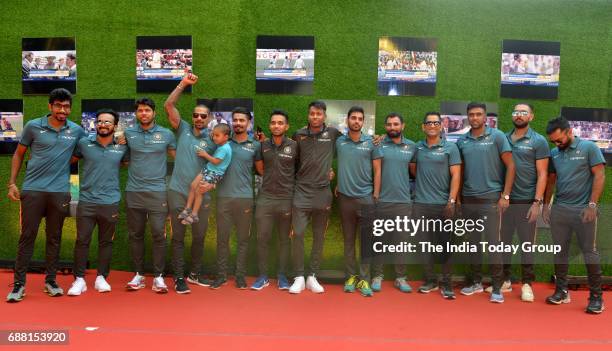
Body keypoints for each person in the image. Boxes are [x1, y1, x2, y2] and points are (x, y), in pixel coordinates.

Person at [6, 88, 86, 303]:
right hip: (33, 191)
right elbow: (18, 154)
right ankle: (19, 285)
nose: (63, 110)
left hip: (60, 192)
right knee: (27, 236)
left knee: (54, 237)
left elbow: (88, 148)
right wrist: (12, 183)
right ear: (50, 106)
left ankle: (50, 281)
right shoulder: (33, 126)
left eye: (67, 106)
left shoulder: (77, 131)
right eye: (58, 105)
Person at [543, 116, 606, 314]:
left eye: (559, 139)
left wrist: (592, 205)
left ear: (569, 132)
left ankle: (596, 298)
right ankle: (562, 291)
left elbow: (600, 175)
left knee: (590, 253)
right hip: (560, 210)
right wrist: (546, 205)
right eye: (553, 141)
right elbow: (551, 181)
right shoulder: (555, 153)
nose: (556, 144)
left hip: (584, 212)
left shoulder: (589, 148)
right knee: (560, 252)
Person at [456, 102, 515, 304]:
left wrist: (505, 196)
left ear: (486, 117)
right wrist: (458, 198)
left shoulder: (497, 137)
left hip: (491, 198)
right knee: (473, 244)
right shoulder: (462, 140)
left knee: (493, 244)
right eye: (471, 114)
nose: (474, 118)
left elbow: (511, 165)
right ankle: (476, 282)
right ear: (467, 117)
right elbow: (460, 171)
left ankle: (497, 287)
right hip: (468, 199)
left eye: (478, 114)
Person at [164, 71, 217, 293]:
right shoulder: (183, 128)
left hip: (200, 196)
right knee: (178, 237)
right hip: (177, 192)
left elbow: (221, 166)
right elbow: (168, 105)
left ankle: (194, 274)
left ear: (210, 119)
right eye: (196, 115)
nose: (198, 119)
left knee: (199, 237)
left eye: (203, 116)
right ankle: (178, 278)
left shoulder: (215, 140)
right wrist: (183, 84)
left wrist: (212, 184)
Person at [66, 109, 128, 296]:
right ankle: (79, 280)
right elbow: (69, 160)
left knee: (105, 242)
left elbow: (128, 163)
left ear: (115, 126)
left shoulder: (123, 146)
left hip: (110, 201)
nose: (103, 124)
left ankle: (101, 278)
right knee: (82, 240)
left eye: (108, 122)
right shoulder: (84, 143)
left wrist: (125, 140)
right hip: (87, 200)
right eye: (100, 121)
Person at [493, 103, 549, 302]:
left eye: (523, 112)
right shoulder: (503, 138)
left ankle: (527, 284)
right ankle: (505, 279)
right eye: (516, 112)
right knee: (504, 242)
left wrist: (537, 202)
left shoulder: (539, 141)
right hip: (505, 201)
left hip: (527, 201)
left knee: (526, 244)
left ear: (531, 116)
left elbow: (543, 173)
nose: (519, 115)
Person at [124, 98, 176, 294]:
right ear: (136, 114)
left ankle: (158, 277)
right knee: (135, 234)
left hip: (158, 192)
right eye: (140, 111)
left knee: (157, 234)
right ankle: (138, 275)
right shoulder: (128, 134)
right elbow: (124, 158)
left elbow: (178, 160)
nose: (143, 113)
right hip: (134, 191)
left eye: (147, 110)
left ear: (154, 113)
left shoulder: (166, 134)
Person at [289, 101, 341, 294]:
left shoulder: (334, 134)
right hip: (301, 192)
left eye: (319, 114)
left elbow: (349, 147)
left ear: (324, 116)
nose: (315, 117)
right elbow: (292, 163)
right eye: (312, 113)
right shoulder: (298, 134)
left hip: (322, 193)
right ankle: (299, 277)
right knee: (299, 234)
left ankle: (312, 276)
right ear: (308, 115)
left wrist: (376, 139)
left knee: (319, 236)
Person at [209, 107, 262, 289]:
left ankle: (240, 276)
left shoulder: (255, 145)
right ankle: (221, 275)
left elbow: (262, 170)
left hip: (245, 198)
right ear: (232, 122)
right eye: (236, 120)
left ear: (248, 123)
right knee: (222, 238)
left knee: (242, 240)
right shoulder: (223, 143)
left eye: (242, 120)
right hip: (223, 197)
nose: (238, 123)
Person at [413, 112, 461, 299]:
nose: (432, 125)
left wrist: (451, 200)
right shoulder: (418, 147)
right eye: (428, 123)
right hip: (421, 204)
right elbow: (413, 169)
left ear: (441, 126)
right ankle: (431, 280)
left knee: (445, 246)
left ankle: (447, 283)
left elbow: (456, 175)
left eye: (436, 122)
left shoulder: (451, 148)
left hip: (444, 205)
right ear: (423, 127)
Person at [336, 106, 383, 297]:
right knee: (348, 241)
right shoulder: (339, 142)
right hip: (345, 198)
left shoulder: (372, 142)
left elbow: (378, 170)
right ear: (347, 120)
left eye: (360, 118)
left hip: (366, 199)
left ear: (363, 122)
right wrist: (338, 181)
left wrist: (376, 195)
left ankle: (364, 278)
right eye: (353, 118)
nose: (356, 121)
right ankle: (351, 276)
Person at [250, 110, 297, 291]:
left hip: (286, 199)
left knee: (284, 240)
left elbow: (300, 169)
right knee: (262, 238)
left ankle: (282, 276)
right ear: (270, 126)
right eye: (273, 123)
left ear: (286, 126)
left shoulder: (294, 146)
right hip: (266, 199)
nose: (276, 126)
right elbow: (260, 169)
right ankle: (263, 276)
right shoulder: (262, 146)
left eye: (280, 123)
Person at [370, 112, 416, 294]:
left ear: (402, 126)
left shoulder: (412, 146)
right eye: (389, 124)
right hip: (382, 201)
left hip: (404, 202)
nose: (392, 128)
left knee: (401, 243)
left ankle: (400, 277)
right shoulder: (378, 143)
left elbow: (414, 172)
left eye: (396, 124)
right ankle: (377, 276)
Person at [179, 124, 232, 225]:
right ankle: (187, 209)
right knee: (193, 185)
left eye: (217, 135)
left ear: (226, 137)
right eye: (213, 135)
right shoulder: (222, 145)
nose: (214, 138)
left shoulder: (224, 148)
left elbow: (216, 161)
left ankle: (194, 215)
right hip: (208, 169)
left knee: (199, 191)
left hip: (214, 173)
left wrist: (205, 154)